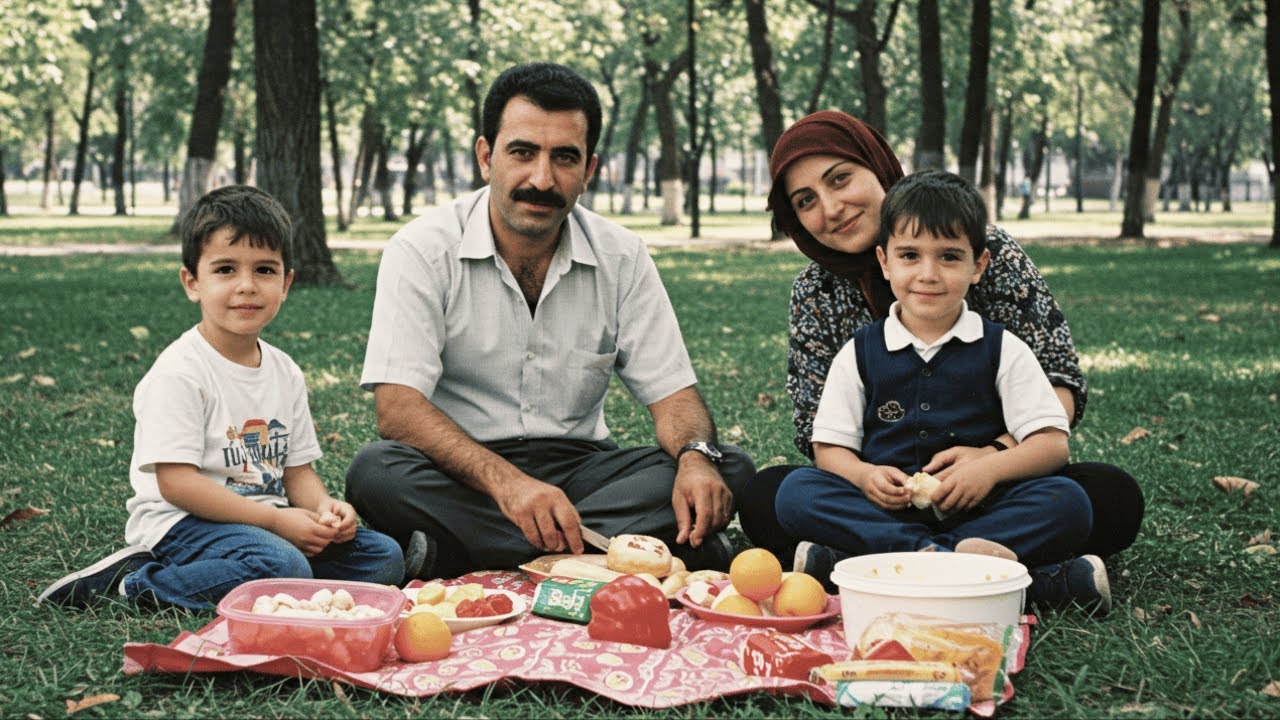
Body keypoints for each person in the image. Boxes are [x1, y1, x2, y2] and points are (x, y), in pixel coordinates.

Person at [344, 62, 754, 580]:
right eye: (522, 153)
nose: (542, 179)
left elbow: (675, 397)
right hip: (463, 472)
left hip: (583, 469)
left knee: (728, 466)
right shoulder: (422, 250)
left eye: (564, 157)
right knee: (375, 471)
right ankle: (622, 552)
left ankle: (464, 554)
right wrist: (508, 484)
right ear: (486, 157)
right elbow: (398, 410)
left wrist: (695, 457)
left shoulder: (622, 256)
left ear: (589, 169)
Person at [737, 110, 1143, 612]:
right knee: (775, 495)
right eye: (805, 201)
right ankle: (1009, 578)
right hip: (881, 496)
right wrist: (871, 478)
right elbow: (817, 435)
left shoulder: (981, 247)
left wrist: (990, 459)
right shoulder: (815, 291)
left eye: (839, 179)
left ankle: (858, 567)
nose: (831, 207)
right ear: (887, 261)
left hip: (993, 486)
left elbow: (1057, 387)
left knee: (1099, 497)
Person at [38, 185, 404, 608]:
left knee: (383, 558)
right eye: (226, 269)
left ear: (286, 283)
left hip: (264, 524)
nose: (247, 286)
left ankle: (282, 579)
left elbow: (297, 473)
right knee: (280, 563)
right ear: (192, 282)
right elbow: (177, 484)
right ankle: (132, 583)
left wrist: (325, 509)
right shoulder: (180, 373)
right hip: (183, 523)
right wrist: (275, 520)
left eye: (264, 270)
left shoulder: (284, 371)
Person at [778, 169, 1096, 602]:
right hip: (886, 511)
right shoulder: (860, 352)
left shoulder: (1003, 348)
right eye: (910, 255)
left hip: (983, 511)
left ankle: (887, 565)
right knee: (797, 493)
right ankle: (970, 568)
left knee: (1068, 501)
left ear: (978, 265)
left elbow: (1052, 445)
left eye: (948, 257)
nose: (928, 274)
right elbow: (829, 449)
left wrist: (990, 469)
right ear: (885, 262)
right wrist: (865, 476)